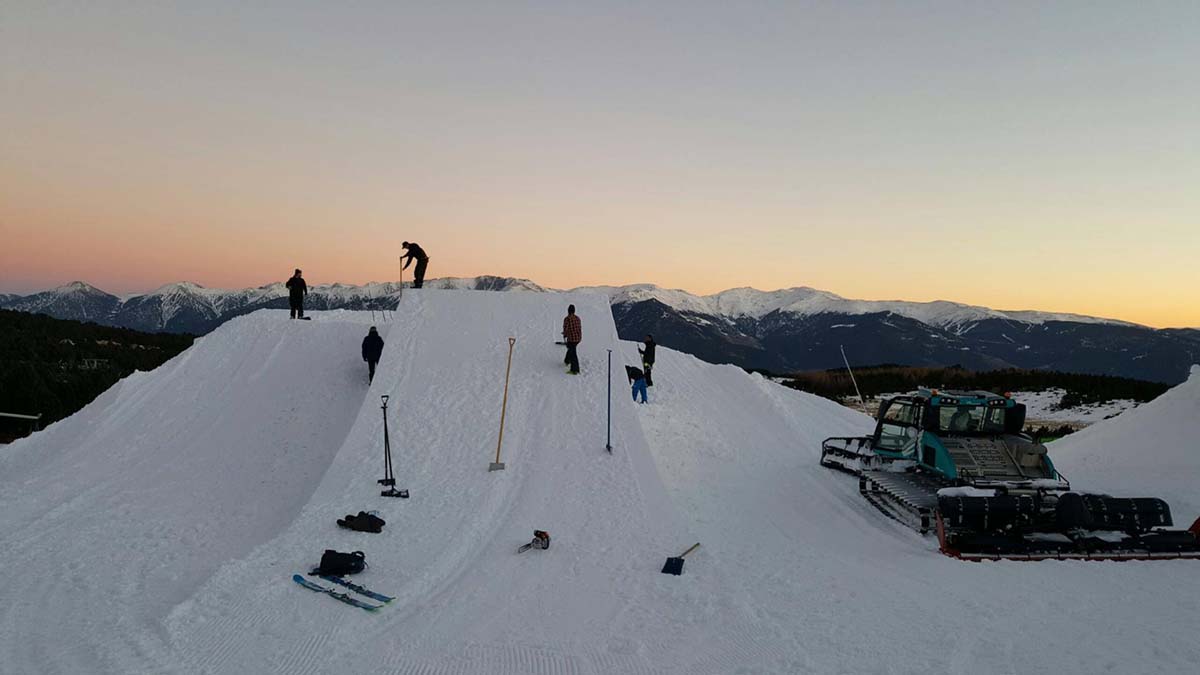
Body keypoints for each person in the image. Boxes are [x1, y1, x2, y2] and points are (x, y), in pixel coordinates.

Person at [562, 304, 582, 375]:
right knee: (571, 348)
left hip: (572, 339)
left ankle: (575, 370)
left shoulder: (567, 319)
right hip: (578, 338)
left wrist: (564, 334)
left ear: (568, 311)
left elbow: (566, 329)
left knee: (573, 353)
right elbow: (578, 327)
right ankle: (567, 361)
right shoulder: (577, 318)